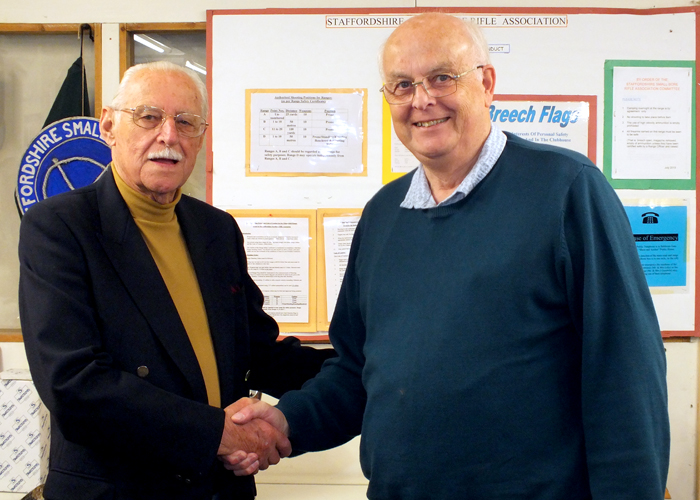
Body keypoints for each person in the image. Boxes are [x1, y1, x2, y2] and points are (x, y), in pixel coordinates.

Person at [231, 12, 670, 499]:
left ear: (486, 83)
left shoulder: (566, 190)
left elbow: (625, 376)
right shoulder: (382, 215)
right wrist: (287, 420)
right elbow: (356, 372)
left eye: (442, 77)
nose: (421, 100)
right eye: (401, 85)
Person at [18, 61, 335, 500]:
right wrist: (217, 435)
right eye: (149, 117)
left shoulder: (216, 230)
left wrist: (368, 370)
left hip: (219, 490)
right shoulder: (60, 226)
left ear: (200, 139)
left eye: (185, 122)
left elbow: (257, 353)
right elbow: (74, 386)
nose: (168, 135)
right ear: (109, 125)